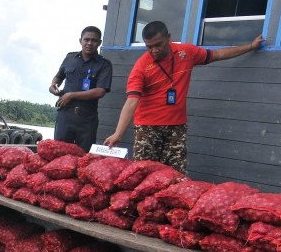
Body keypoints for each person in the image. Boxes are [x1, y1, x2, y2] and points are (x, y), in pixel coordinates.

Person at [105, 21, 263, 173]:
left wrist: (250, 46)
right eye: (149, 47)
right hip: (148, 128)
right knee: (143, 174)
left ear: (169, 38)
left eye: (158, 44)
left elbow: (218, 54)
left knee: (176, 175)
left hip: (177, 127)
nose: (154, 50)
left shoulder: (186, 53)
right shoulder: (141, 67)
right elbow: (132, 101)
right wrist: (118, 134)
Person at [49, 26, 113, 152]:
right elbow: (58, 77)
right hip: (65, 115)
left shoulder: (104, 65)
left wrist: (71, 95)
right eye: (86, 39)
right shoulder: (70, 58)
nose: (89, 43)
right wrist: (53, 86)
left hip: (87, 119)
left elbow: (100, 91)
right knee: (58, 154)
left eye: (94, 40)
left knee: (83, 158)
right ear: (80, 41)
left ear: (99, 43)